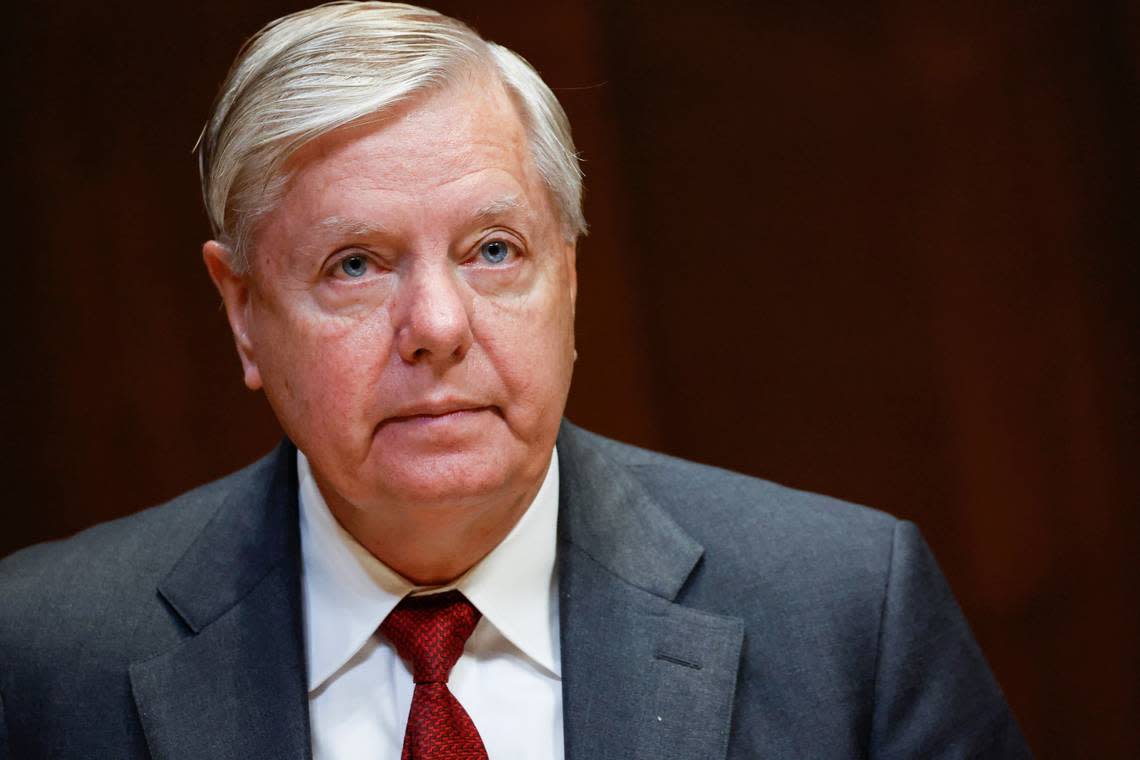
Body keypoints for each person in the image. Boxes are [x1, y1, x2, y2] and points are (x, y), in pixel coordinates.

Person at [0, 2, 1031, 758]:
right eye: (354, 264)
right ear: (243, 313)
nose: (439, 327)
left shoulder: (848, 613)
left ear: (569, 278)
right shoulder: (42, 655)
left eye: (494, 250)